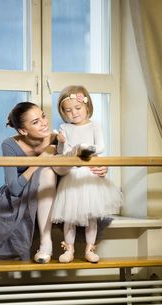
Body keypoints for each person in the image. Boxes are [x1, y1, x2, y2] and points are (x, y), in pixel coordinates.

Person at [0, 101, 109, 263]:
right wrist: (40, 159)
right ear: (23, 130)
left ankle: (76, 156)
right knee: (45, 170)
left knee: (52, 169)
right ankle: (46, 244)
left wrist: (100, 166)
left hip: (51, 189)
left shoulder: (56, 138)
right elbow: (15, 188)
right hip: (22, 194)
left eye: (43, 116)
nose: (44, 123)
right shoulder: (9, 145)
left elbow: (67, 165)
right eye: (35, 122)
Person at [51, 85, 123, 263]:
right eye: (68, 110)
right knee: (69, 217)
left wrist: (85, 149)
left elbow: (101, 146)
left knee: (92, 216)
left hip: (89, 176)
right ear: (63, 112)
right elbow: (63, 153)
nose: (73, 113)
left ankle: (90, 249)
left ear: (87, 106)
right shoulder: (64, 128)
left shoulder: (95, 126)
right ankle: (69, 249)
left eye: (77, 108)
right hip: (72, 177)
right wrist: (61, 142)